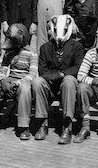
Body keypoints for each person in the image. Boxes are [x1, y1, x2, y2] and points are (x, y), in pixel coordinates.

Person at [0, 23, 37, 139]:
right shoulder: (9, 52)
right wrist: (3, 81)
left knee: (25, 89)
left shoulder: (32, 53)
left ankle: (23, 126)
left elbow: (32, 74)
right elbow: (3, 69)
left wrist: (16, 83)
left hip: (22, 82)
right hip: (9, 80)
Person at [32, 14, 84, 144]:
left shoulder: (77, 46)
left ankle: (67, 127)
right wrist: (55, 76)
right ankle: (42, 123)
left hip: (67, 87)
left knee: (69, 80)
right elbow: (42, 71)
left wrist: (61, 74)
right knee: (38, 82)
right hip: (50, 85)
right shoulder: (45, 48)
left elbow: (78, 67)